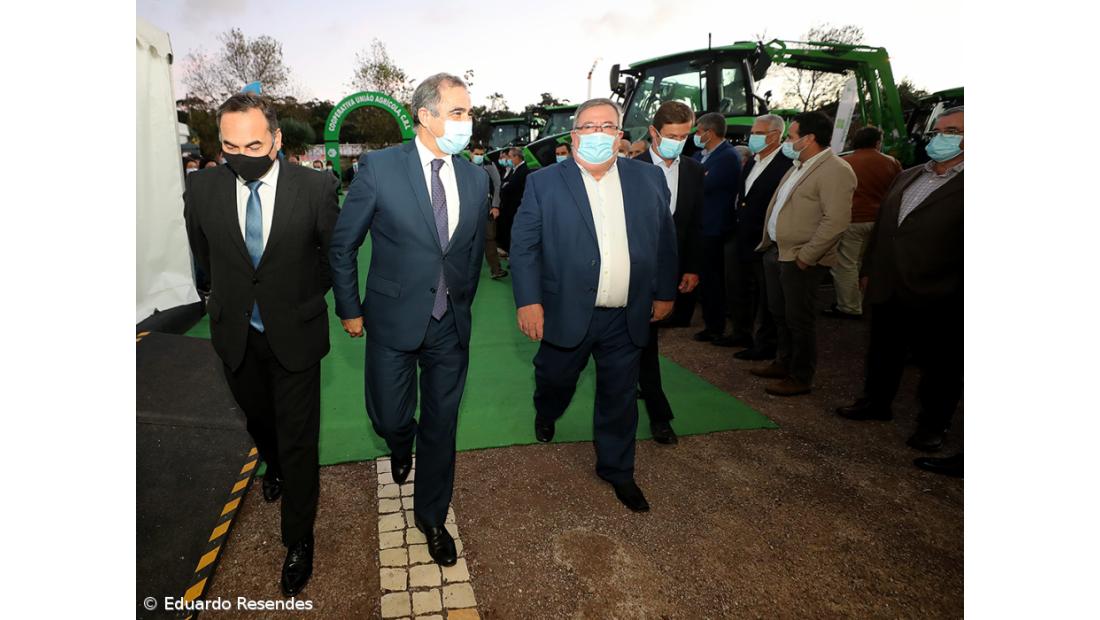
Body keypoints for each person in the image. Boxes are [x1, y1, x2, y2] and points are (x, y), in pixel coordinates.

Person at [183, 93, 340, 597]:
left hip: (296, 332)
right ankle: (271, 461)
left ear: (276, 139)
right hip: (235, 333)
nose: (242, 155)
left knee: (299, 439)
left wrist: (297, 299)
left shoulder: (315, 187)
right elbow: (204, 254)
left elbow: (330, 256)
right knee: (258, 420)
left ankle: (299, 537)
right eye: (230, 146)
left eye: (253, 145)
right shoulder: (202, 188)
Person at [329, 73, 488, 566]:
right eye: (458, 112)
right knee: (390, 417)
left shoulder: (476, 177)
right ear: (426, 115)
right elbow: (343, 245)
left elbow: (470, 252)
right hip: (392, 319)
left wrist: (462, 302)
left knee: (442, 424)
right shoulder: (380, 168)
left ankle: (432, 518)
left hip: (449, 324)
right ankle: (400, 442)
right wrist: (350, 308)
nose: (467, 121)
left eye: (468, 112)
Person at [510, 98, 678, 512]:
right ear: (574, 136)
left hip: (626, 314)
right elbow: (525, 247)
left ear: (620, 136)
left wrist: (664, 291)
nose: (597, 134)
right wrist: (528, 301)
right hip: (566, 311)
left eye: (607, 126)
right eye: (588, 126)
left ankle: (618, 470)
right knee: (555, 378)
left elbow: (665, 239)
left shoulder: (648, 178)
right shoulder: (545, 183)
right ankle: (547, 410)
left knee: (619, 396)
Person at [835, 107, 964, 453]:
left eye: (952, 132)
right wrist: (868, 270)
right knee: (883, 348)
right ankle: (876, 402)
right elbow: (884, 227)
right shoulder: (908, 174)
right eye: (937, 131)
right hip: (889, 281)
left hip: (940, 290)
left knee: (940, 364)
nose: (940, 138)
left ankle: (933, 424)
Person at [751, 111, 855, 396]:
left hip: (802, 259)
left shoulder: (835, 170)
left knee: (799, 319)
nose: (787, 142)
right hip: (779, 252)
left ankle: (800, 376)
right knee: (780, 313)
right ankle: (783, 362)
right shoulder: (799, 165)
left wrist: (807, 256)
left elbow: (836, 221)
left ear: (809, 138)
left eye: (791, 136)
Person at [633, 101, 704, 444]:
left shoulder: (694, 170)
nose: (678, 142)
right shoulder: (631, 169)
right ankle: (660, 415)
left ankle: (645, 394)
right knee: (645, 343)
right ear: (654, 132)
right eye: (672, 136)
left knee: (644, 342)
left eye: (684, 136)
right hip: (637, 272)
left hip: (672, 271)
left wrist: (692, 267)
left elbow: (695, 224)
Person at [731, 114, 792, 361]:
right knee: (743, 289)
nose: (752, 137)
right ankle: (742, 333)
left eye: (758, 133)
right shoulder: (752, 162)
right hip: (743, 236)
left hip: (765, 240)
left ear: (775, 135)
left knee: (768, 297)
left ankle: (766, 344)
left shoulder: (785, 164)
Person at [826, 126, 902, 319]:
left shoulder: (845, 162)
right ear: (877, 142)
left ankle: (849, 306)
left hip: (853, 219)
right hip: (879, 220)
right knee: (867, 261)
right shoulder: (891, 162)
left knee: (846, 263)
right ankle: (864, 299)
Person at [691, 112, 743, 344]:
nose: (696, 135)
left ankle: (716, 327)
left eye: (699, 131)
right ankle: (710, 323)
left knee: (713, 280)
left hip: (714, 227)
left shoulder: (728, 156)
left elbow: (703, 184)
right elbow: (692, 179)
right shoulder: (699, 155)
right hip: (700, 225)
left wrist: (699, 178)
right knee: (704, 278)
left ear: (710, 133)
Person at [470, 144, 507, 279]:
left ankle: (496, 270)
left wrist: (495, 205)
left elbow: (497, 185)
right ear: (470, 153)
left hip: (487, 206)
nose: (479, 156)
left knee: (489, 238)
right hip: (468, 209)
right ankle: (466, 270)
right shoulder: (463, 166)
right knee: (467, 239)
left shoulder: (489, 166)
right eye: (477, 154)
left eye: (481, 154)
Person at [497, 147, 528, 255]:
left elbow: (511, 187)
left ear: (517, 157)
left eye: (510, 157)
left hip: (515, 207)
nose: (508, 159)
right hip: (509, 207)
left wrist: (505, 186)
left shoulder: (523, 170)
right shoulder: (516, 169)